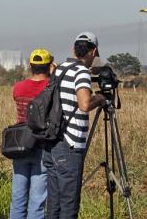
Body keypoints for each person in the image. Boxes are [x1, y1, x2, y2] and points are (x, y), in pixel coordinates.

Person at [43, 32, 107, 219]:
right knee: (69, 207)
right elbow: (85, 104)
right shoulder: (81, 72)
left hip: (53, 142)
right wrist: (100, 98)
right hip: (70, 146)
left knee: (53, 206)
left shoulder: (61, 69)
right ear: (94, 51)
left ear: (74, 48)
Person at [10, 49, 55, 219]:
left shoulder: (18, 87)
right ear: (49, 66)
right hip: (42, 145)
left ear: (29, 65)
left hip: (20, 143)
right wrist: (55, 74)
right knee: (37, 199)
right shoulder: (51, 88)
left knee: (18, 197)